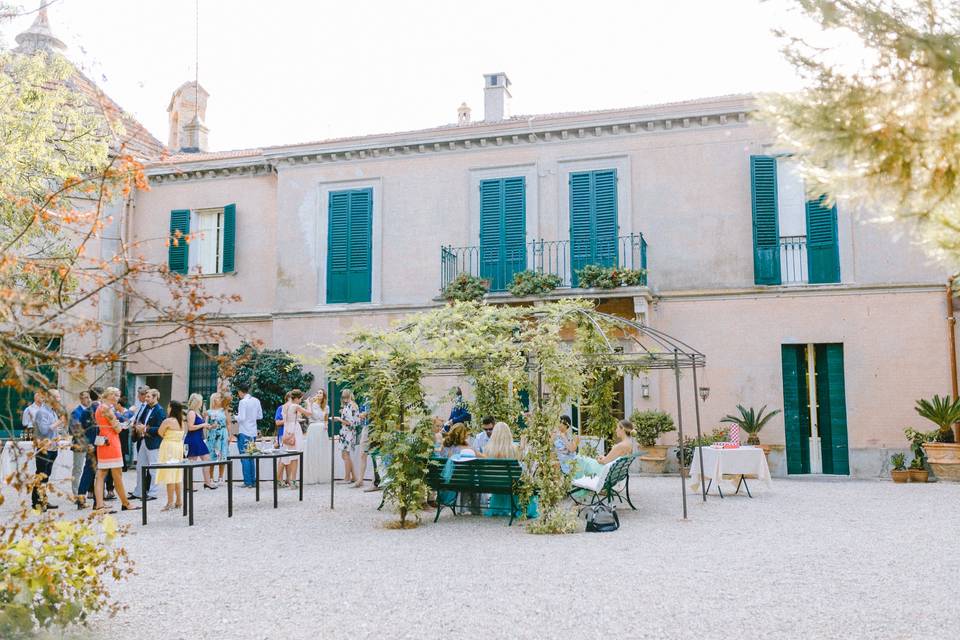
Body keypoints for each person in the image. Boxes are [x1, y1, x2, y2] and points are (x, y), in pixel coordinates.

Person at [93, 387, 138, 513]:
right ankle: (125, 503)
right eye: (116, 395)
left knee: (101, 475)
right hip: (112, 443)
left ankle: (100, 505)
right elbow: (117, 429)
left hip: (103, 442)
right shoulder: (107, 409)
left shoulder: (100, 407)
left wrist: (119, 424)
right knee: (117, 475)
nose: (117, 398)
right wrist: (121, 425)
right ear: (111, 396)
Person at [130, 389, 165, 501]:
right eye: (146, 396)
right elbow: (142, 420)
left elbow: (161, 429)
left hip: (153, 442)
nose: (146, 398)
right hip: (143, 440)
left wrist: (145, 428)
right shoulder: (146, 408)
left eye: (148, 396)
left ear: (155, 397)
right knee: (140, 467)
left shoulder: (160, 411)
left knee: (153, 469)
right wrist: (138, 426)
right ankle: (138, 492)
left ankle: (153, 493)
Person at [31, 389, 63, 511]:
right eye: (58, 397)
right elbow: (44, 430)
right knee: (41, 475)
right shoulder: (42, 412)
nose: (59, 400)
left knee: (46, 476)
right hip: (44, 448)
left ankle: (43, 500)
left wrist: (57, 435)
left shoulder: (52, 411)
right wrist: (59, 422)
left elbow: (52, 429)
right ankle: (37, 503)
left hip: (53, 448)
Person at [156, 400, 186, 511]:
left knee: (170, 475)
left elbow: (160, 432)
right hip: (178, 447)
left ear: (172, 408)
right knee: (176, 474)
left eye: (168, 407)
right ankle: (179, 500)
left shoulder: (168, 421)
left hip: (169, 447)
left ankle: (170, 502)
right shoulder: (181, 421)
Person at [277, 389, 311, 488]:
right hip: (294, 430)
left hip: (286, 431)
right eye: (300, 399)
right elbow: (309, 413)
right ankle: (293, 481)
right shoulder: (295, 406)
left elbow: (286, 420)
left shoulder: (284, 406)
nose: (301, 400)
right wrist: (308, 403)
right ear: (296, 398)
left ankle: (278, 480)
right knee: (295, 456)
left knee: (285, 456)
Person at [235, 381, 263, 489]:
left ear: (240, 392)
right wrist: (251, 417)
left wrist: (234, 416)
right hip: (253, 432)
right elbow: (260, 416)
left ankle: (247, 482)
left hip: (244, 432)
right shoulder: (256, 400)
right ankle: (253, 481)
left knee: (244, 457)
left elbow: (241, 418)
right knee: (251, 456)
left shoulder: (243, 402)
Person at [185, 393, 215, 490]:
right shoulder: (191, 413)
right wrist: (203, 425)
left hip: (199, 439)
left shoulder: (198, 412)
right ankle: (189, 485)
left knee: (207, 460)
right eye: (201, 401)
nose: (202, 403)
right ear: (197, 402)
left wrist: (210, 426)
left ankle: (207, 482)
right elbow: (190, 427)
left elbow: (201, 425)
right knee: (191, 462)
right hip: (193, 439)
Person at [331, 389, 360, 484]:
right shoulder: (352, 405)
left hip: (348, 433)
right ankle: (354, 477)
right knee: (346, 455)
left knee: (345, 455)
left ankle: (347, 478)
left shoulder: (350, 406)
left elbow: (350, 423)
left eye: (344, 396)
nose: (343, 398)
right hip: (348, 433)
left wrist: (338, 419)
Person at [302, 388, 329, 484]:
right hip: (313, 427)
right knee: (313, 452)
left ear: (324, 395)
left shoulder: (326, 407)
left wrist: (326, 425)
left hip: (322, 429)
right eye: (317, 392)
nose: (319, 394)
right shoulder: (312, 405)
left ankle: (321, 476)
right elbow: (309, 416)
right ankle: (312, 476)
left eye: (321, 393)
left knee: (321, 452)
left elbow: (326, 419)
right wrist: (309, 403)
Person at [69, 390, 92, 496]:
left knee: (90, 468)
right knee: (78, 468)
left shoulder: (91, 411)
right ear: (81, 399)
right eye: (85, 397)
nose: (88, 400)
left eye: (89, 397)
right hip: (80, 444)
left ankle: (89, 491)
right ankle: (76, 493)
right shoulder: (76, 412)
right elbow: (74, 430)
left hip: (91, 444)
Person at [205, 392, 230, 483]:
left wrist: (229, 435)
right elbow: (206, 425)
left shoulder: (224, 410)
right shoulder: (208, 412)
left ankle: (220, 477)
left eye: (221, 398)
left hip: (223, 434)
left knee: (222, 455)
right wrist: (210, 426)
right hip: (212, 435)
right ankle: (211, 478)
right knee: (212, 456)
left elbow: (228, 423)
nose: (221, 400)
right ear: (214, 400)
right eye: (219, 398)